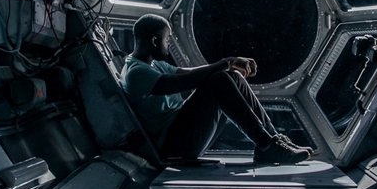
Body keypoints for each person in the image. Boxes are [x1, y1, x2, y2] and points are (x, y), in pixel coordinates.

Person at [119, 14, 312, 164]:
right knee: (219, 80)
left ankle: (271, 141)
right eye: (167, 39)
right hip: (172, 147)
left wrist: (230, 65)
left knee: (232, 76)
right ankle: (267, 145)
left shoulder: (153, 64)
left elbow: (190, 72)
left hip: (181, 135)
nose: (169, 44)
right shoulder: (136, 73)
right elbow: (185, 82)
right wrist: (226, 62)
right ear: (155, 41)